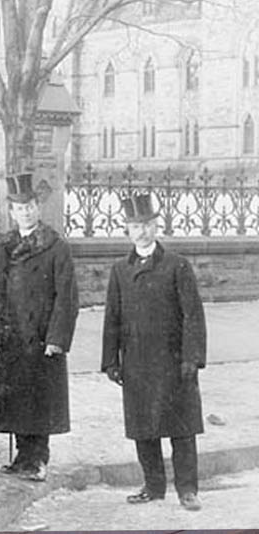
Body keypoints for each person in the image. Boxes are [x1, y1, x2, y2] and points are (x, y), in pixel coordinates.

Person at [101, 192, 207, 511]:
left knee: (182, 428)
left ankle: (187, 490)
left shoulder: (177, 265)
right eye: (136, 226)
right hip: (137, 362)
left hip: (174, 362)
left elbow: (193, 314)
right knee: (143, 428)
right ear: (127, 230)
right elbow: (112, 318)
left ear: (156, 225)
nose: (143, 231)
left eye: (147, 224)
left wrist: (192, 357)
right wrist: (110, 361)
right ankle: (153, 486)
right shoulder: (120, 270)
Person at [0, 172, 78, 482]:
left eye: (31, 206)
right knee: (17, 398)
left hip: (40, 336)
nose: (26, 212)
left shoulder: (54, 246)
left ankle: (38, 459)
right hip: (11, 335)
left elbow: (67, 297)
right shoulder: (4, 246)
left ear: (39, 207)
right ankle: (22, 457)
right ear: (11, 211)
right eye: (20, 208)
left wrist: (56, 338)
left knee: (39, 399)